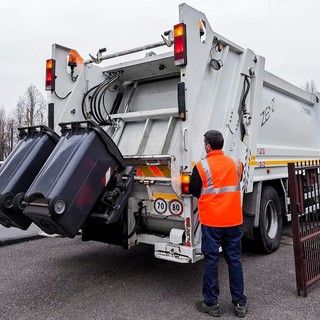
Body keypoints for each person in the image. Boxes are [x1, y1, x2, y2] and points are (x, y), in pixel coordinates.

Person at [189, 130, 247, 318]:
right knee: (234, 261)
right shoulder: (236, 163)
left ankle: (211, 304)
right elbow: (237, 180)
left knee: (212, 261)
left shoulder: (201, 166)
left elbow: (194, 190)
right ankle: (240, 304)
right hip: (233, 221)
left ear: (208, 146)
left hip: (212, 222)